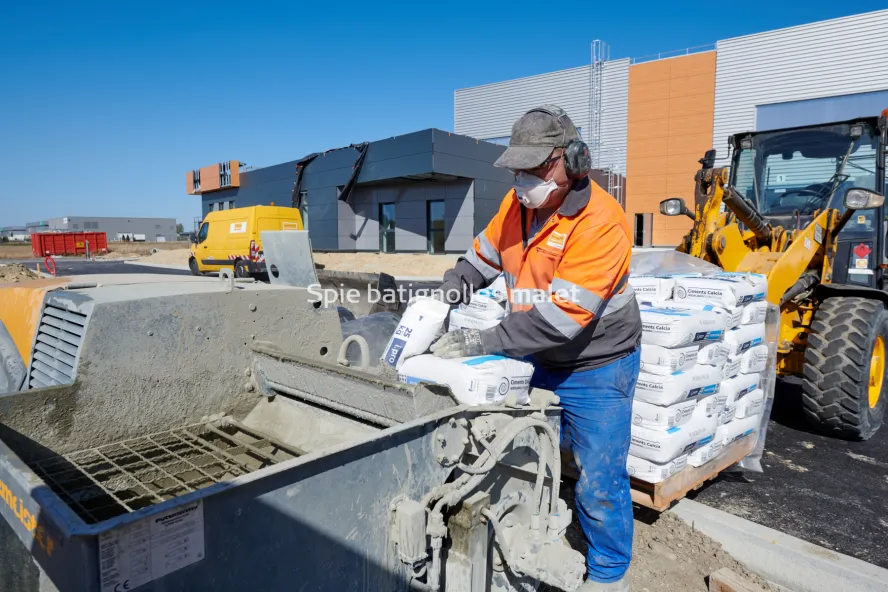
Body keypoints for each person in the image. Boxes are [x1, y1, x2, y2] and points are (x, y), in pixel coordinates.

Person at [430, 105, 642, 591]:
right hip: (537, 356)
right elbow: (479, 258)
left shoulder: (601, 222)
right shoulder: (516, 207)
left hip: (598, 365)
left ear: (571, 160)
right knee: (525, 453)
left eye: (533, 168)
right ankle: (530, 533)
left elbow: (563, 319)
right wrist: (449, 292)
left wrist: (478, 342)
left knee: (598, 477)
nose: (522, 180)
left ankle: (609, 574)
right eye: (517, 169)